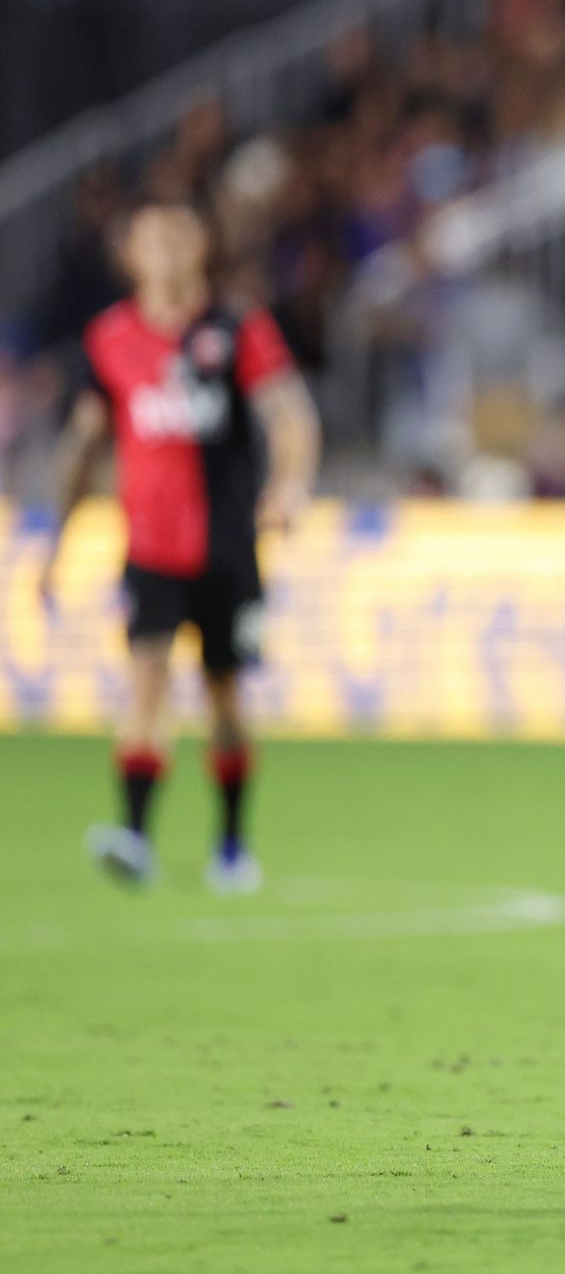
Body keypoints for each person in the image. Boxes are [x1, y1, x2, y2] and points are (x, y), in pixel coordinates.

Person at [38, 196, 320, 893]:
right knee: (144, 683)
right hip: (151, 548)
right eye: (150, 237)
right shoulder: (109, 339)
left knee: (224, 696)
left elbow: (289, 414)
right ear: (129, 256)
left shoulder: (235, 327)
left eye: (176, 234)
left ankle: (231, 843)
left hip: (227, 548)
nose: (164, 248)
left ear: (199, 247)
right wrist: (58, 542)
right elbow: (83, 446)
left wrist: (289, 486)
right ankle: (134, 835)